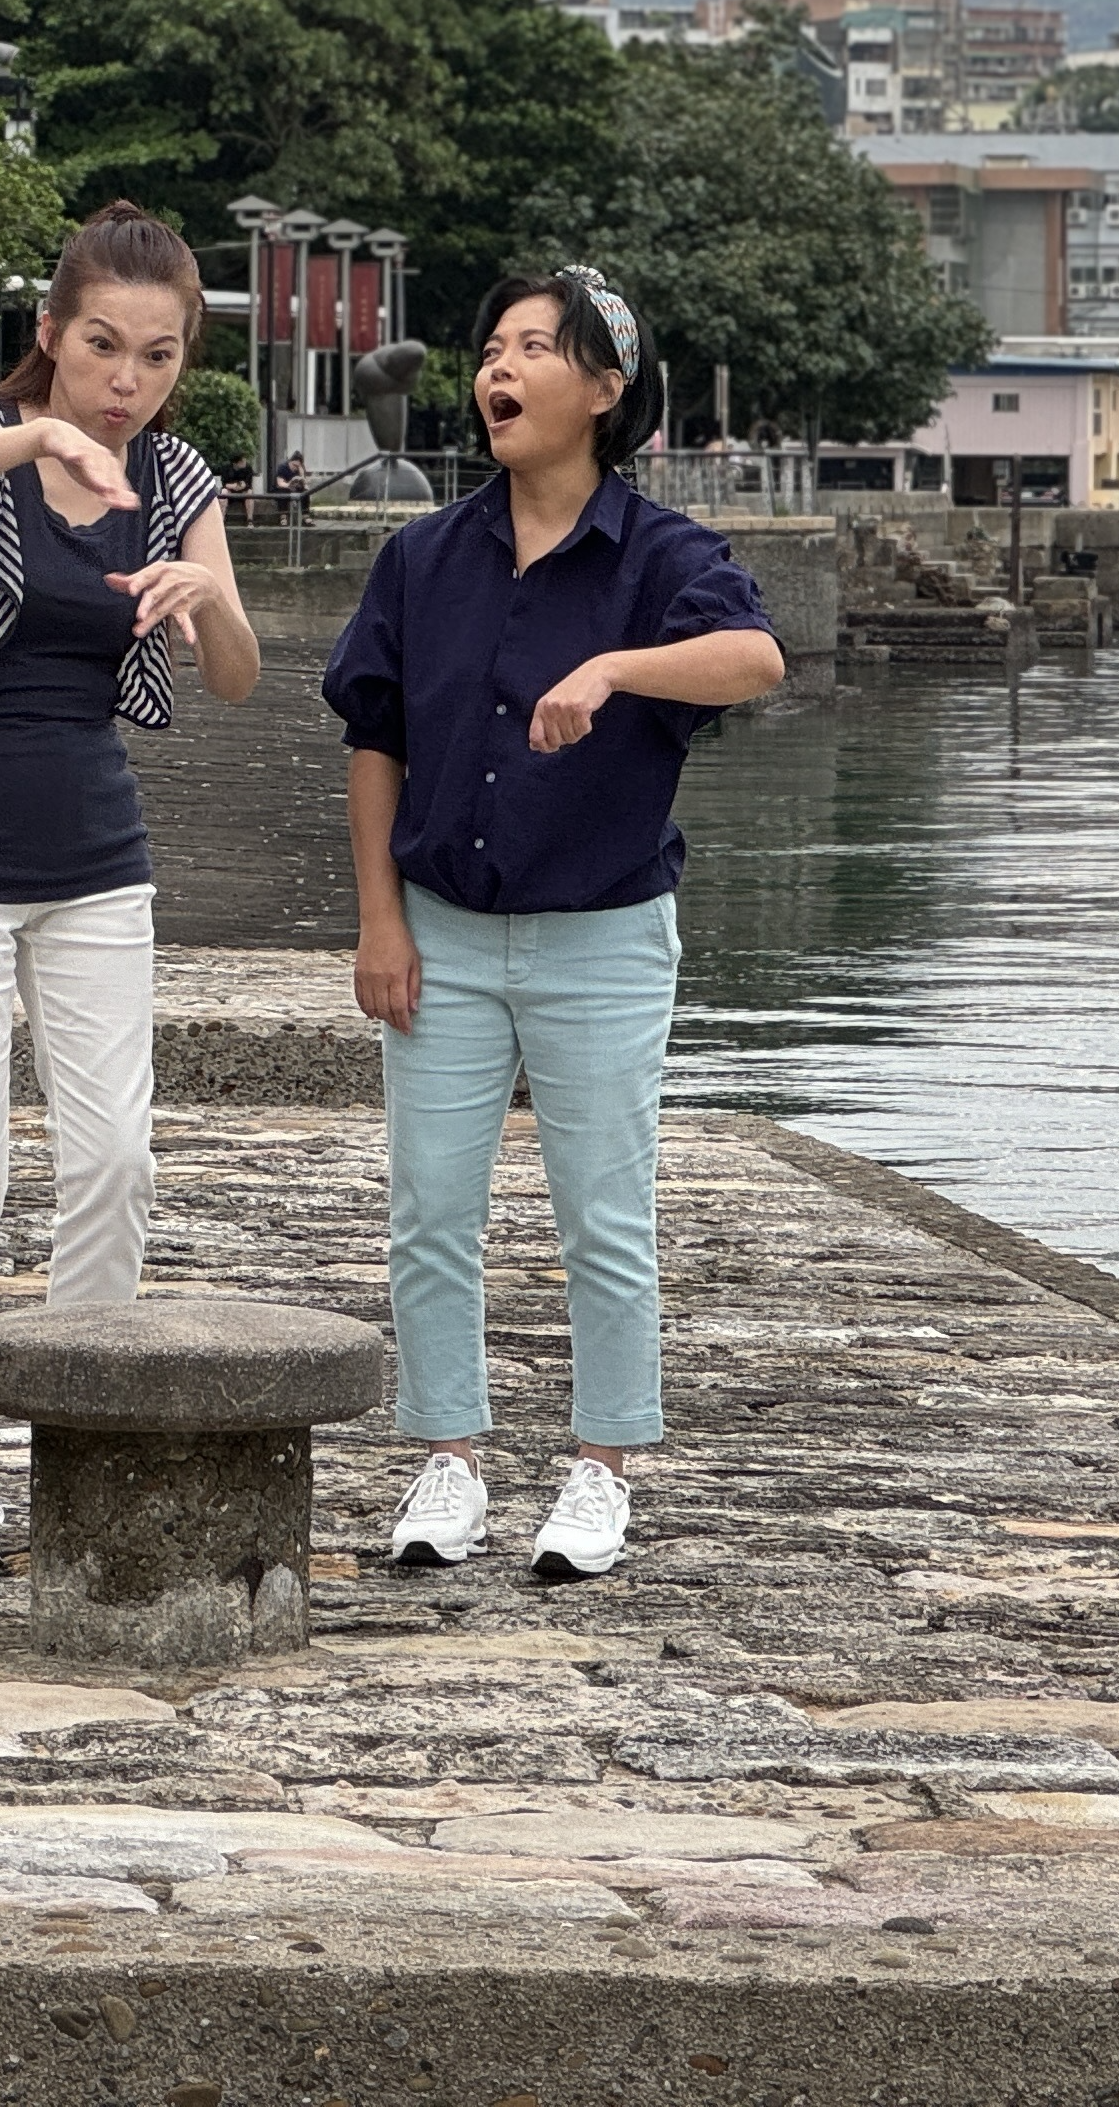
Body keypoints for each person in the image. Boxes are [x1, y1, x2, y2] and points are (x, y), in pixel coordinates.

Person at [322, 266, 786, 1583]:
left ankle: (601, 1471)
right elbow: (375, 739)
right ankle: (452, 1459)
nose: (498, 370)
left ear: (604, 389)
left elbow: (754, 660)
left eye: (535, 348)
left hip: (603, 934)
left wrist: (615, 667)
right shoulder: (421, 556)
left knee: (603, 1214)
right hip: (443, 929)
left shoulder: (662, 555)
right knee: (430, 1208)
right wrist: (379, 922)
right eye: (492, 347)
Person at [0, 200, 263, 1576]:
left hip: (90, 854)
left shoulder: (183, 481)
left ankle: (82, 1430)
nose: (126, 380)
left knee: (116, 1158)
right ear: (50, 335)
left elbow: (241, 676)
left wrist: (208, 606)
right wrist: (35, 437)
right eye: (100, 347)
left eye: (155, 356)